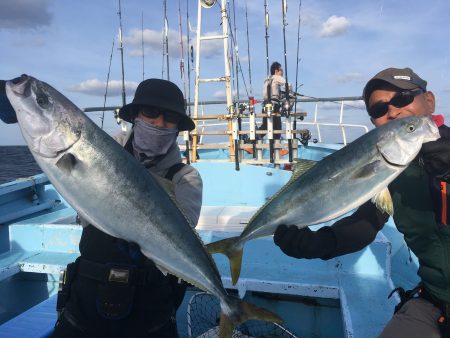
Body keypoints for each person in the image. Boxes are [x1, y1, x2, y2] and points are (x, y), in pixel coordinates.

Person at [273, 67, 450, 338]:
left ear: (429, 100)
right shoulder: (392, 165)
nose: (392, 111)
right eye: (379, 109)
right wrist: (324, 242)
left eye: (402, 98)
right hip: (435, 299)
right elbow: (366, 222)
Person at [52, 79, 203, 338]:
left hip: (150, 307)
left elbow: (182, 228)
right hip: (85, 297)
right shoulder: (102, 151)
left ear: (178, 127)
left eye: (170, 118)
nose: (159, 123)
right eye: (151, 113)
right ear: (134, 116)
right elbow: (63, 150)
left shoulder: (186, 177)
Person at [258, 61, 292, 141]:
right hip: (274, 106)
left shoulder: (267, 79)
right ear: (276, 71)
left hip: (265, 105)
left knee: (265, 126)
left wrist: (281, 94)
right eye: (281, 70)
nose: (282, 72)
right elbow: (288, 84)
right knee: (277, 127)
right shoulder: (277, 77)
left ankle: (253, 139)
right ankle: (275, 147)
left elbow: (272, 92)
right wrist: (290, 94)